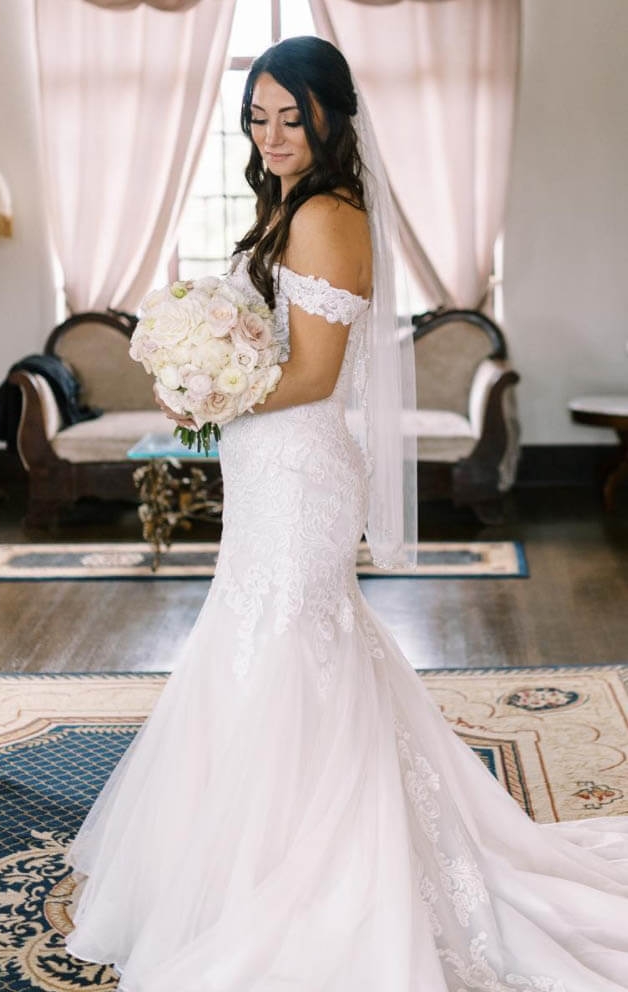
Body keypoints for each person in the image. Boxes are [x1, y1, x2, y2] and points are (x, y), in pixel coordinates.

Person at [65, 36, 628, 991]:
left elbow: (317, 376)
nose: (273, 133)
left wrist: (212, 394)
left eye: (293, 115)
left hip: (300, 469)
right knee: (264, 640)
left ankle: (317, 875)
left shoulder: (327, 213)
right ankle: (251, 857)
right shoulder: (281, 202)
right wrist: (205, 374)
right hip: (267, 464)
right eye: (258, 115)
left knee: (290, 642)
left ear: (332, 116)